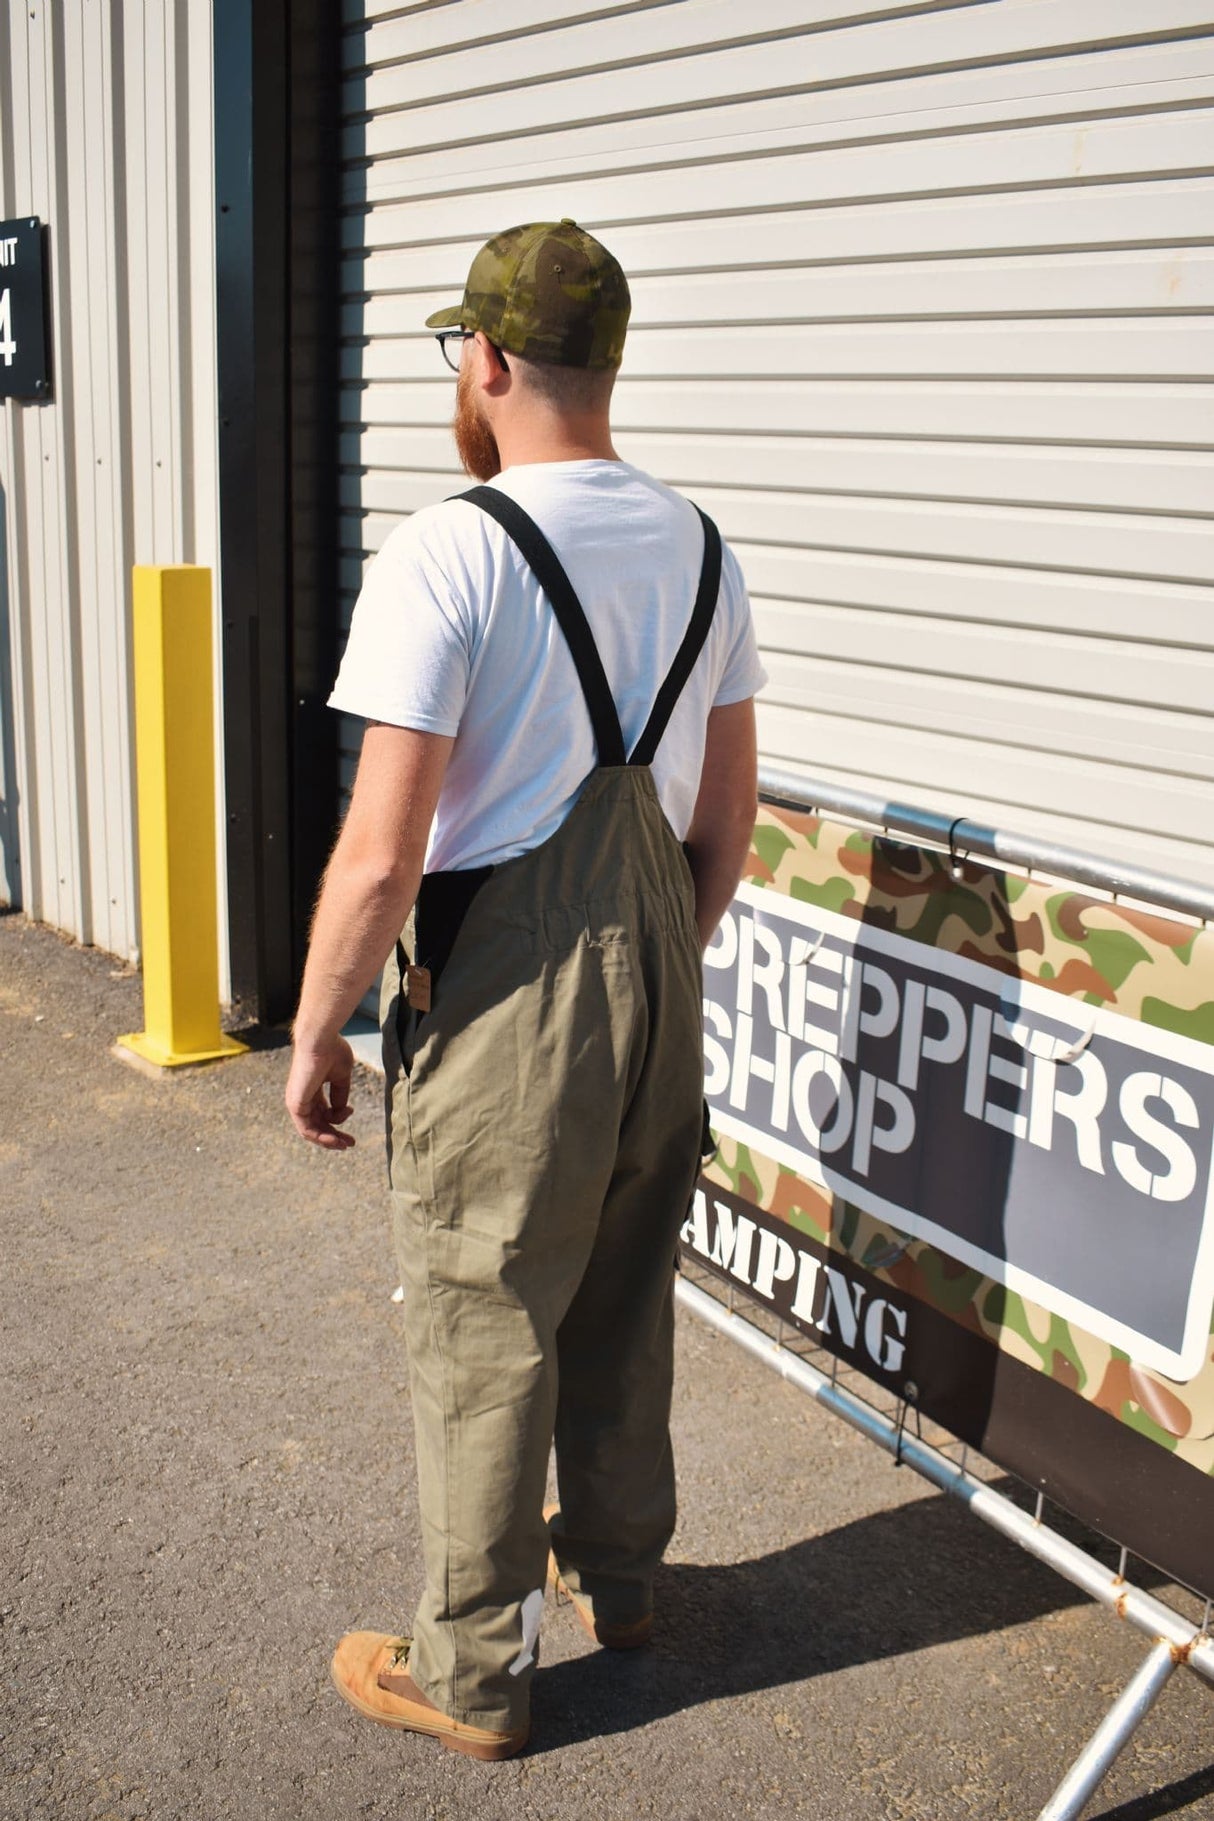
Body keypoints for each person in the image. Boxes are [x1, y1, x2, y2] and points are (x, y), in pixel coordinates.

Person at [285, 219, 764, 1760]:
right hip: (657, 983)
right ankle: (618, 1580)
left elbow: (382, 854)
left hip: (510, 1005)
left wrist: (318, 1028)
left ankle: (473, 1674)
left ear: (485, 359)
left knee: (484, 1320)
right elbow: (726, 823)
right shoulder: (701, 547)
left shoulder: (451, 550)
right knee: (622, 1294)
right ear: (604, 363)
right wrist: (652, 962)